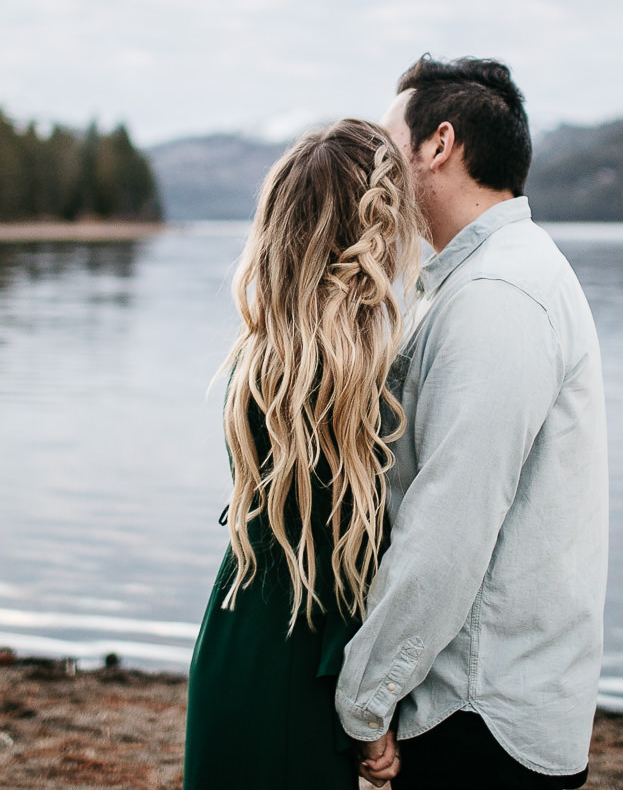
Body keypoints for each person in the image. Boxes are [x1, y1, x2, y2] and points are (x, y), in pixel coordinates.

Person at [341, 56, 609, 790]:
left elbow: (449, 525)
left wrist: (365, 701)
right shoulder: (484, 278)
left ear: (439, 145)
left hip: (479, 715)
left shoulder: (497, 294)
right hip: (480, 702)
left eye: (388, 142)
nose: (376, 166)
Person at [183, 118, 423, 790]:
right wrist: (368, 716)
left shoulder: (261, 358)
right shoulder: (351, 384)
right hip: (296, 666)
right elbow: (348, 567)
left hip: (235, 636)